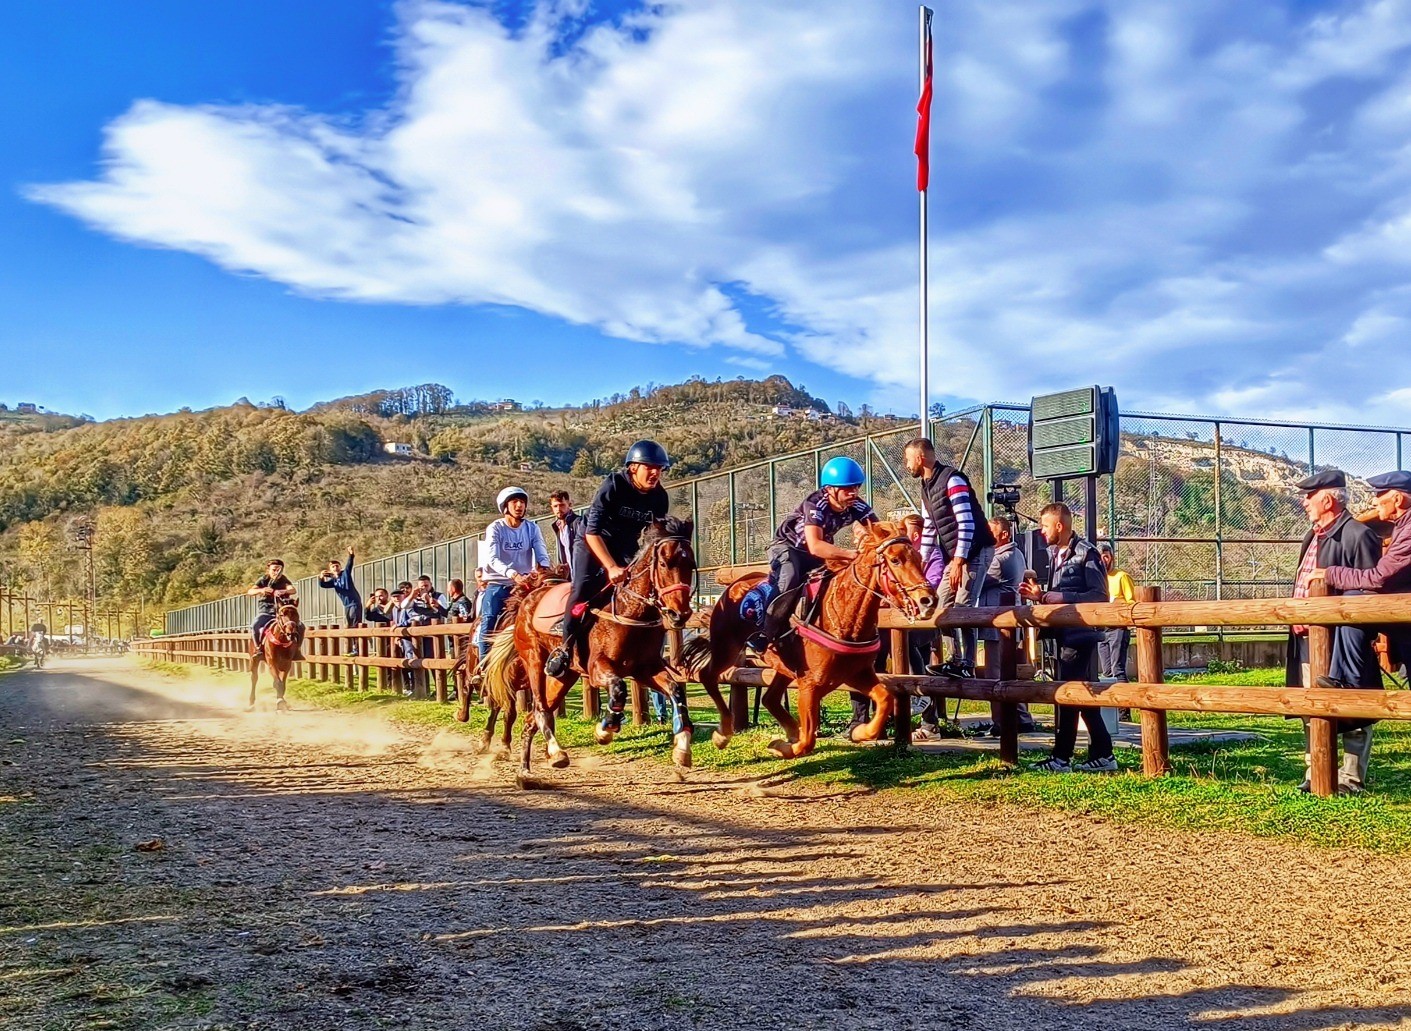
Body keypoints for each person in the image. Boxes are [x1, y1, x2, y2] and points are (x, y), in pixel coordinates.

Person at [1307, 469, 1411, 793]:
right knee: (1354, 603)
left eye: (1380, 495)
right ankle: (1346, 681)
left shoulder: (1407, 531)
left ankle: (1349, 682)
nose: (1375, 501)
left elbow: (1379, 576)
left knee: (1353, 602)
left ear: (1398, 498)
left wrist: (1332, 574)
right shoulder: (1402, 528)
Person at [545, 441, 671, 679]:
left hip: (626, 546)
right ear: (633, 467)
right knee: (582, 588)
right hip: (592, 542)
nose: (655, 473)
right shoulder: (613, 485)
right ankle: (564, 648)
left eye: (660, 468)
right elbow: (592, 532)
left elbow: (655, 539)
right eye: (650, 467)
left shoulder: (659, 498)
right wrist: (611, 567)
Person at [747, 456, 878, 657]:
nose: (854, 493)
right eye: (847, 489)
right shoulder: (816, 504)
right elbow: (815, 546)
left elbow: (879, 531)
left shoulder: (857, 506)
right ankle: (764, 633)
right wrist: (850, 555)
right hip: (788, 547)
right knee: (790, 578)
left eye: (856, 487)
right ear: (830, 489)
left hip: (814, 551)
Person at [1021, 503, 1116, 773]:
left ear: (1059, 526)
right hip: (1062, 633)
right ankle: (1103, 754)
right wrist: (1040, 596)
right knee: (1079, 696)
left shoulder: (1087, 553)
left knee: (1069, 695)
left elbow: (1099, 597)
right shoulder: (1055, 554)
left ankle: (1061, 758)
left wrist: (1062, 598)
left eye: (1045, 526)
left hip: (1080, 635)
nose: (1041, 531)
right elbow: (1061, 593)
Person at [903, 437, 996, 677]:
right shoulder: (926, 487)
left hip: (975, 550)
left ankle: (968, 663)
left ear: (920, 457)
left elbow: (966, 523)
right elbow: (931, 529)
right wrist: (920, 563)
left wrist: (958, 561)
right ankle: (955, 659)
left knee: (964, 605)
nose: (906, 465)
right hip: (955, 555)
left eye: (908, 459)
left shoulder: (952, 479)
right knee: (942, 605)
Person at [479, 486, 551, 663]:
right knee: (489, 617)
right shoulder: (495, 528)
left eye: (522, 502)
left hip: (525, 583)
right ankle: (483, 662)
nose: (519, 505)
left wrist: (545, 569)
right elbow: (492, 558)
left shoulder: (532, 528)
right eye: (514, 502)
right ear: (505, 506)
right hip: (499, 583)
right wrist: (513, 574)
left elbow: (541, 553)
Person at [980, 516, 1038, 733]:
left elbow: (977, 582)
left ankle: (1001, 722)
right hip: (1010, 621)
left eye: (991, 531)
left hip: (997, 624)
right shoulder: (1017, 554)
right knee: (1009, 671)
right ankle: (1022, 717)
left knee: (995, 673)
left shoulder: (998, 560)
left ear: (1004, 534)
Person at [246, 559, 302, 658]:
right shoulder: (264, 579)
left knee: (301, 626)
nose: (276, 572)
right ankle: (258, 649)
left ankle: (297, 650)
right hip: (266, 611)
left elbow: (293, 590)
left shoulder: (284, 579)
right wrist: (262, 590)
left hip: (283, 613)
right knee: (255, 625)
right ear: (269, 570)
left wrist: (283, 591)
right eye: (274, 570)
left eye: (279, 570)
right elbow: (250, 591)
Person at [1097, 543, 1135, 681]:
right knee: (1106, 671)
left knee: (1117, 669)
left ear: (1111, 558)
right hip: (1101, 629)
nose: (1103, 560)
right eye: (1100, 557)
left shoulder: (1122, 576)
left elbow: (1132, 602)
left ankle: (1125, 702)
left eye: (1106, 557)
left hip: (1118, 629)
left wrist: (1118, 605)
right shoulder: (1097, 579)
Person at [317, 548, 363, 655]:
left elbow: (349, 565)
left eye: (337, 566)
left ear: (340, 567)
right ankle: (354, 647)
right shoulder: (333, 581)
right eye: (333, 567)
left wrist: (351, 555)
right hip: (346, 605)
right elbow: (323, 585)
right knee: (350, 626)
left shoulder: (345, 574)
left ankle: (357, 648)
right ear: (330, 570)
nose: (335, 567)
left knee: (355, 625)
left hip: (354, 603)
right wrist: (321, 577)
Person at [549, 490, 580, 572]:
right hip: (569, 576)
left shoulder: (578, 523)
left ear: (569, 505)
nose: (558, 509)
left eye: (562, 505)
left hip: (582, 574)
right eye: (555, 506)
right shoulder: (557, 526)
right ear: (551, 507)